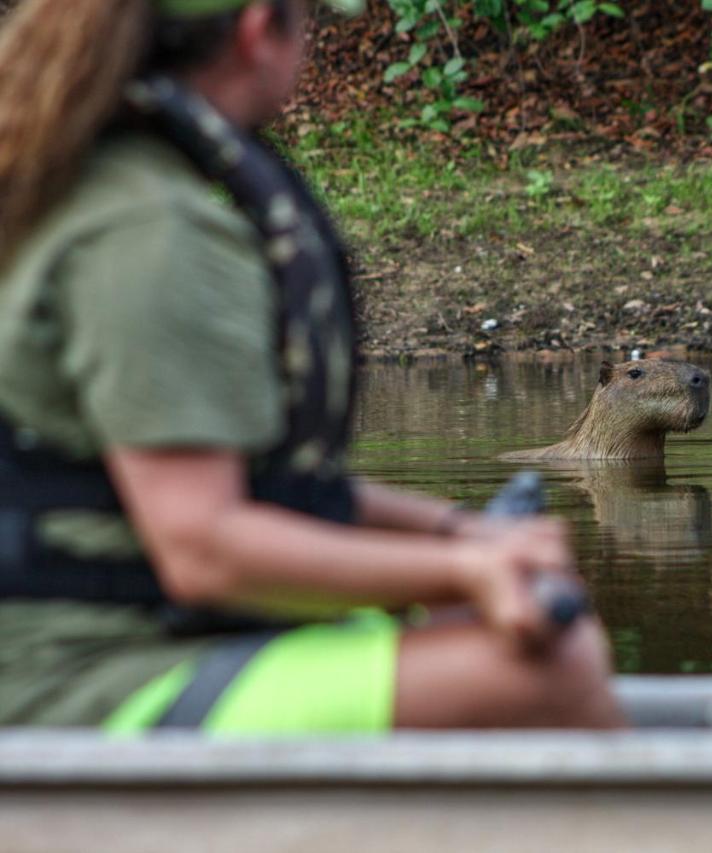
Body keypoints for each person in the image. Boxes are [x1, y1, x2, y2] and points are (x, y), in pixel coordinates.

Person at [0, 0, 624, 732]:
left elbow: (252, 487)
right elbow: (203, 547)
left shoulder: (94, 183)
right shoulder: (152, 230)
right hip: (72, 677)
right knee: (553, 667)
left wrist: (461, 537)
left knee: (464, 621)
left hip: (141, 633)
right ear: (261, 29)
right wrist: (460, 569)